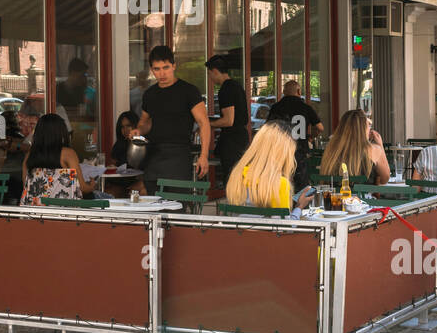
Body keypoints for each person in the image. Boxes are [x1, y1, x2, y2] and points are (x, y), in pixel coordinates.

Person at [133, 45, 211, 193]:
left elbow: (204, 123)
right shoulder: (150, 94)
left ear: (174, 66)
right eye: (157, 69)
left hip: (179, 156)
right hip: (153, 156)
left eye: (166, 67)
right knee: (152, 208)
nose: (162, 73)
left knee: (177, 208)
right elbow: (144, 122)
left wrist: (204, 155)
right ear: (151, 70)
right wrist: (138, 131)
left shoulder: (189, 91)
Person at [225, 121, 314, 211]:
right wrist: (299, 207)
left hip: (238, 225)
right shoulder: (280, 185)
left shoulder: (236, 177)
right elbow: (284, 224)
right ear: (282, 154)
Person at [21, 113, 95, 206]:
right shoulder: (68, 154)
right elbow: (82, 187)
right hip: (63, 212)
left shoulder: (29, 155)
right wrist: (92, 186)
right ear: (61, 132)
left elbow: (26, 186)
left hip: (35, 213)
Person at [267, 78, 324, 189]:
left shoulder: (276, 107)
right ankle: (300, 205)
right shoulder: (306, 107)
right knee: (301, 186)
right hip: (300, 151)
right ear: (299, 92)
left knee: (282, 184)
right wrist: (311, 137)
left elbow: (268, 129)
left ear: (284, 92)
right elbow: (320, 127)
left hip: (280, 151)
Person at [205, 55, 250, 187]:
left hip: (232, 141)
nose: (210, 78)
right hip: (240, 138)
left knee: (232, 180)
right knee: (239, 178)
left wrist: (208, 124)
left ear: (215, 71)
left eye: (209, 74)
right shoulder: (236, 86)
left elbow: (228, 120)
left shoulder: (226, 89)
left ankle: (233, 206)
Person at [320, 110, 390, 185]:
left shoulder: (331, 148)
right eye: (368, 126)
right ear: (363, 129)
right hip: (362, 196)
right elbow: (384, 179)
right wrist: (380, 145)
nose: (370, 129)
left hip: (333, 196)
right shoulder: (373, 150)